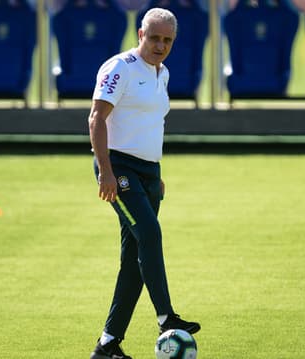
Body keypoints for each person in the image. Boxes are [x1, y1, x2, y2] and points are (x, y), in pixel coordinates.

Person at [88, 7, 200, 359]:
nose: (161, 45)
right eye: (154, 38)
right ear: (140, 35)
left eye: (167, 40)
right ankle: (167, 318)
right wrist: (105, 170)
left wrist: (156, 175)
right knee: (149, 235)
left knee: (135, 258)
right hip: (118, 170)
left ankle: (107, 345)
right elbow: (96, 118)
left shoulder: (162, 73)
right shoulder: (119, 68)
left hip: (148, 175)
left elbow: (150, 124)